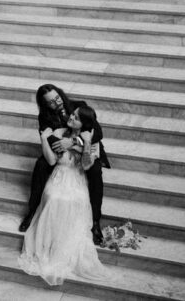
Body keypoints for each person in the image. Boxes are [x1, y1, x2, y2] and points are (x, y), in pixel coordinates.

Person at [18, 105, 113, 286]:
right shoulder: (60, 132)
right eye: (73, 114)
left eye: (76, 117)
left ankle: (64, 247)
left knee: (74, 201)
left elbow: (86, 166)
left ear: (84, 123)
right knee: (54, 198)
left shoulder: (92, 141)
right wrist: (44, 139)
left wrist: (84, 144)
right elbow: (52, 160)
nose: (71, 117)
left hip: (76, 179)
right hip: (59, 176)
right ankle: (50, 245)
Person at [18, 84, 109, 246]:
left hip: (84, 147)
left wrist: (75, 141)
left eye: (57, 97)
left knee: (95, 170)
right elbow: (51, 139)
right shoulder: (44, 116)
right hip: (61, 151)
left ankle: (95, 222)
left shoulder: (79, 106)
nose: (56, 102)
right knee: (41, 165)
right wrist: (62, 142)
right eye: (51, 102)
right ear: (45, 104)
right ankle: (32, 211)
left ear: (61, 94)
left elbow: (98, 133)